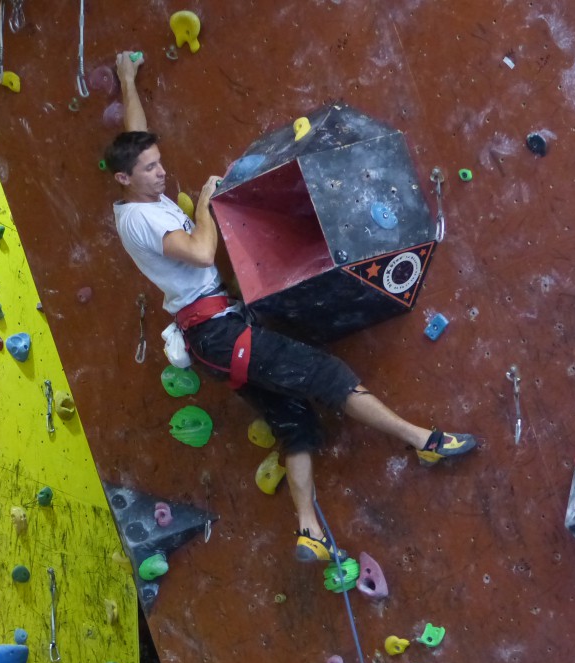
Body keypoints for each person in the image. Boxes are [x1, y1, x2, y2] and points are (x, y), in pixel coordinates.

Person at [104, 51, 477, 562]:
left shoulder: (139, 195)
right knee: (328, 375)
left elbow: (134, 137)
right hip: (220, 333)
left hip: (214, 338)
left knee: (295, 422)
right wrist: (208, 202)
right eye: (149, 169)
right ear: (124, 179)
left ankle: (309, 532)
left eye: (158, 163)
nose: (161, 173)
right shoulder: (141, 220)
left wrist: (127, 79)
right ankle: (422, 441)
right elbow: (201, 252)